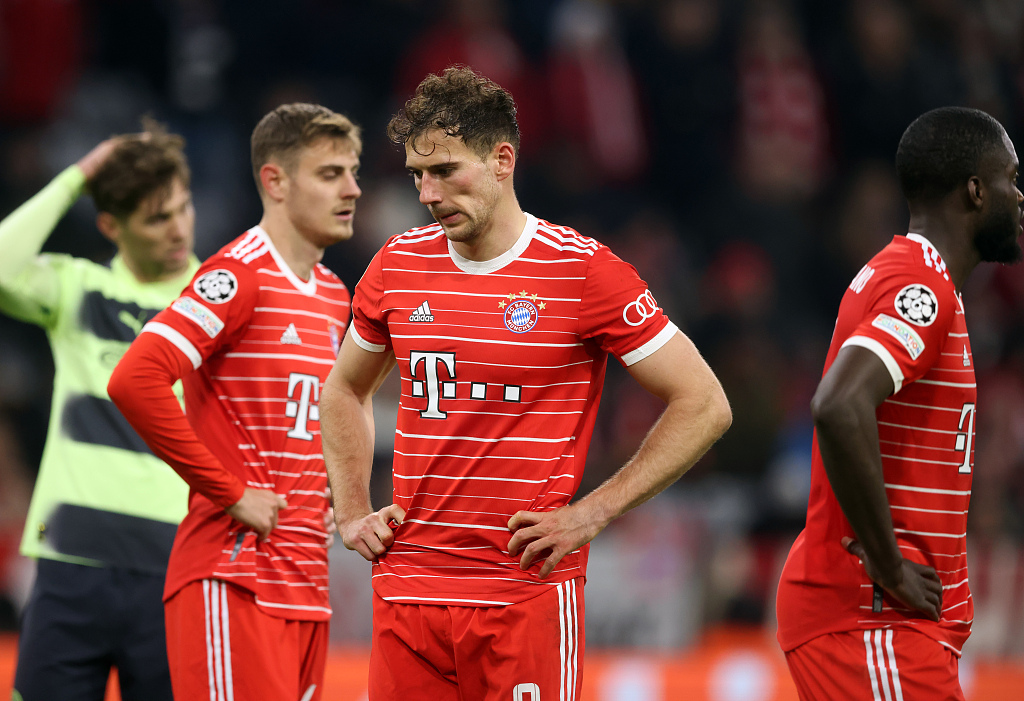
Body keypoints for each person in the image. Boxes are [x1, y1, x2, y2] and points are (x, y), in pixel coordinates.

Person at [319, 66, 732, 701]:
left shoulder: (583, 272)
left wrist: (591, 514)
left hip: (523, 594)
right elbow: (344, 388)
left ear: (502, 159)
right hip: (409, 594)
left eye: (446, 170)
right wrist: (350, 512)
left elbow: (704, 403)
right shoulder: (397, 266)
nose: (427, 193)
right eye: (417, 175)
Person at [107, 103, 361, 701]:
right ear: (274, 181)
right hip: (232, 576)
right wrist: (228, 489)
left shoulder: (333, 295)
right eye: (330, 174)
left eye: (352, 171)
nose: (352, 189)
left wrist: (332, 501)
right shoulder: (237, 274)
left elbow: (317, 419)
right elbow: (135, 380)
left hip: (305, 586)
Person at [776, 106, 1023, 700]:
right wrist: (888, 566)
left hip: (885, 625)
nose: (1019, 196)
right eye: (1011, 179)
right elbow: (837, 403)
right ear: (974, 191)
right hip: (870, 618)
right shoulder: (922, 287)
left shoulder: (926, 283)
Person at [2, 124, 197, 701]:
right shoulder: (76, 287)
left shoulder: (216, 298)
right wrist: (78, 176)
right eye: (157, 218)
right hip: (69, 561)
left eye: (184, 208)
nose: (179, 229)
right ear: (111, 226)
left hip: (173, 566)